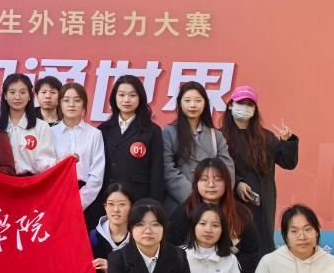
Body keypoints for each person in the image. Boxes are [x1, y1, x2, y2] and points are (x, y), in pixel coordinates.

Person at [220, 85, 299, 255]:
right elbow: (217, 168)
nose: (245, 108)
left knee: (261, 250)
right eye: (241, 103)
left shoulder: (265, 137)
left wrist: (287, 141)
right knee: (234, 249)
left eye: (250, 104)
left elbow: (288, 163)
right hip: (231, 202)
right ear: (231, 105)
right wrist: (237, 183)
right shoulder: (219, 136)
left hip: (262, 204)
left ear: (255, 109)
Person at [166, 159, 260, 273]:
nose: (211, 184)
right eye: (204, 179)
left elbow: (251, 253)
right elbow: (171, 250)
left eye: (218, 179)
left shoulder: (241, 214)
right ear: (196, 183)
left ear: (227, 182)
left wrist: (226, 271)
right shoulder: (183, 213)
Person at [90, 75, 164, 227]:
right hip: (107, 198)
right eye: (121, 95)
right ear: (114, 98)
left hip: (138, 198)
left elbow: (156, 171)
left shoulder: (152, 130)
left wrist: (153, 205)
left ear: (140, 98)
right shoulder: (103, 129)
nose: (126, 100)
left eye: (132, 95)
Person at [162, 81, 234, 215]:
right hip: (179, 203)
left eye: (198, 100)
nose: (192, 105)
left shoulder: (216, 136)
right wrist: (194, 197)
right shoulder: (169, 133)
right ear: (179, 103)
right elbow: (167, 170)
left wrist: (215, 195)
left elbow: (227, 168)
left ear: (205, 103)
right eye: (187, 100)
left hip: (212, 203)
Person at [53, 82, 105, 213]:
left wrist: (79, 202)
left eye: (77, 100)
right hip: (55, 195)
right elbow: (46, 166)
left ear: (83, 104)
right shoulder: (50, 133)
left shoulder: (94, 134)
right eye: (66, 100)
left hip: (87, 199)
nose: (71, 104)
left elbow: (97, 175)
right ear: (59, 104)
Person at [0, 73, 58, 176]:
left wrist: (60, 162)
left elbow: (43, 161)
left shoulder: (41, 127)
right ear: (5, 96)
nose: (17, 97)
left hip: (30, 182)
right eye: (12, 92)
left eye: (22, 92)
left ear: (29, 96)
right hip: (1, 181)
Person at [89, 183, 133, 273]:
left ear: (132, 207)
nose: (116, 210)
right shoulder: (93, 237)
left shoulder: (139, 239)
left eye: (122, 204)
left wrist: (113, 270)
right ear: (105, 207)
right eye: (111, 204)